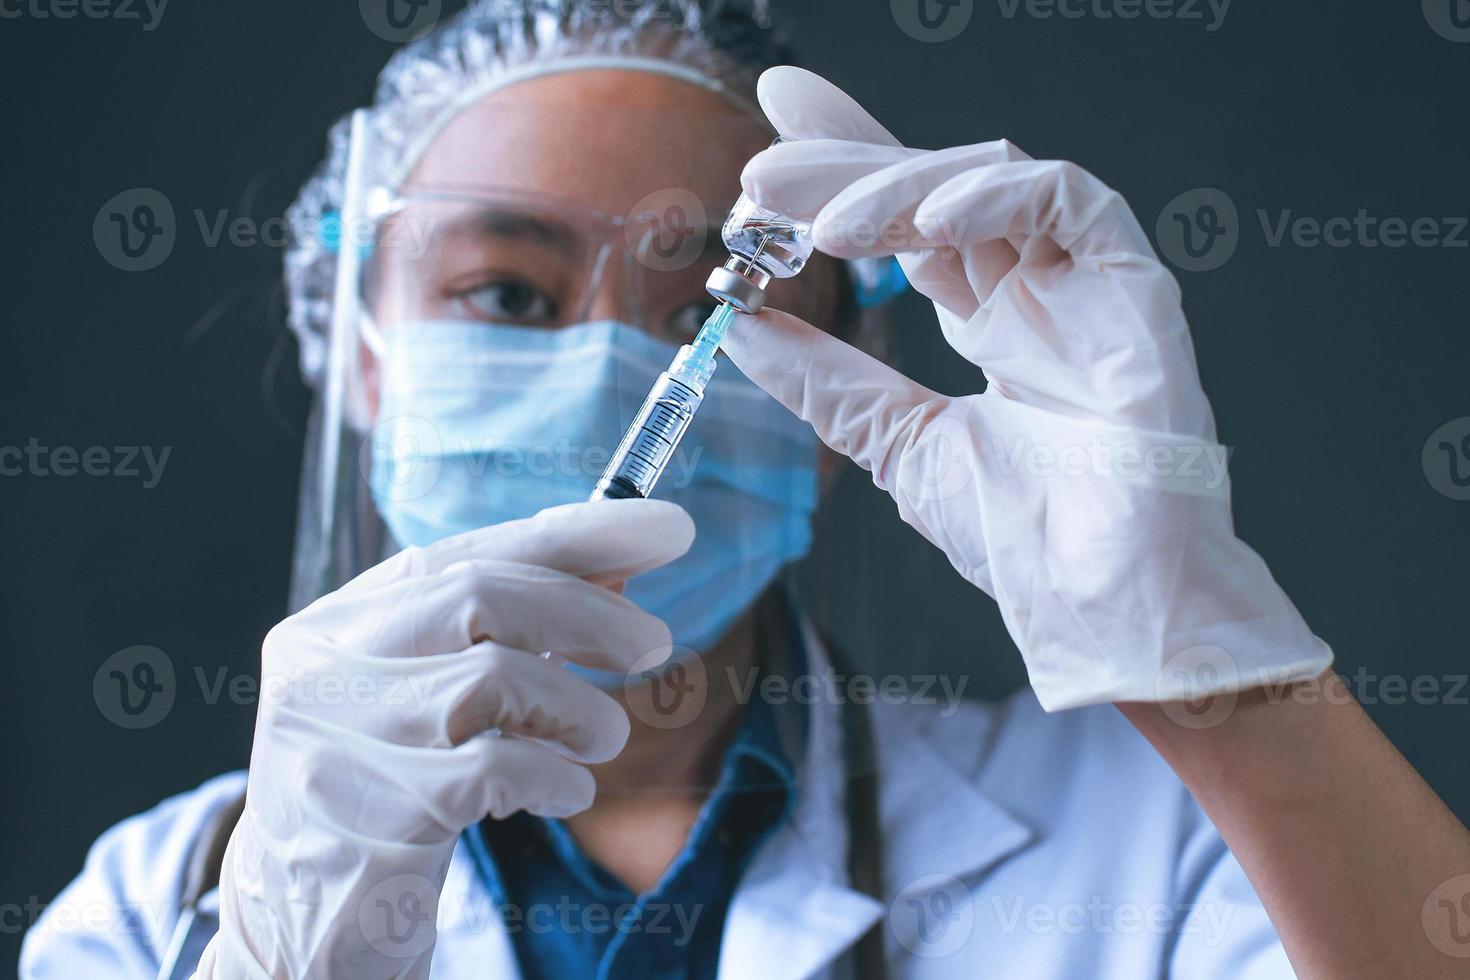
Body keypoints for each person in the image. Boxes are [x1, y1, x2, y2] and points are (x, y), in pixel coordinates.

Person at [22, 2, 1470, 978]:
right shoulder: (164, 907)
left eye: (696, 309)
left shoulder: (1145, 839)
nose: (605, 369)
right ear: (358, 353)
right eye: (508, 297)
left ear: (843, 389)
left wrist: (1215, 674)